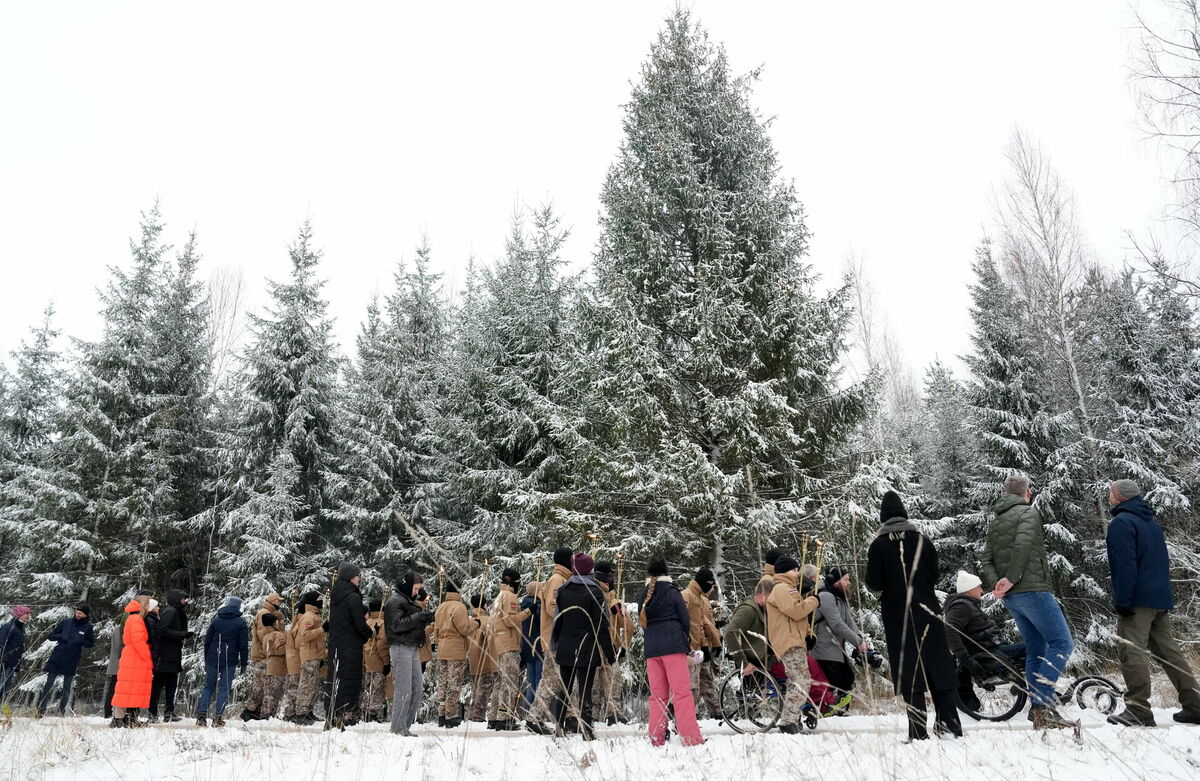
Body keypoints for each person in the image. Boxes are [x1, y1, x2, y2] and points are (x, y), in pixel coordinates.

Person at [866, 490, 962, 741]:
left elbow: (873, 583)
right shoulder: (922, 541)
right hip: (928, 609)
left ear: (882, 518)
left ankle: (918, 731)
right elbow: (935, 575)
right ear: (905, 514)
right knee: (939, 665)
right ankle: (949, 724)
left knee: (909, 669)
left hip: (898, 616)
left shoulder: (878, 545)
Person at [980, 475, 1075, 730]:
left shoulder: (997, 521)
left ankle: (1038, 712)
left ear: (1005, 493)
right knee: (1062, 642)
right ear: (1028, 493)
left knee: (1036, 648)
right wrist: (1010, 579)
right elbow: (1022, 547)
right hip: (1032, 589)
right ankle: (1043, 704)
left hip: (1012, 597)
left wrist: (997, 585)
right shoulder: (1028, 513)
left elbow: (986, 559)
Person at [1104, 479, 1200, 727]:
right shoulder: (1150, 522)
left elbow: (1124, 566)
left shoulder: (1121, 523)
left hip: (1137, 601)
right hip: (1158, 598)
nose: (1109, 496)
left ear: (1120, 497)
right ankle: (1195, 705)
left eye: (1111, 493)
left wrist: (1123, 600)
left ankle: (1138, 710)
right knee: (1170, 654)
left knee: (1130, 651)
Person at [639, 557, 703, 747]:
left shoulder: (644, 594)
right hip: (673, 648)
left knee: (657, 696)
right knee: (682, 694)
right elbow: (685, 620)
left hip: (652, 650)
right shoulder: (673, 592)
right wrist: (686, 643)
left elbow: (643, 623)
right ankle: (691, 738)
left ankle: (656, 738)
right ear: (666, 573)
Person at [943, 570, 1026, 713]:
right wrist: (966, 659)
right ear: (970, 588)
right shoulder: (962, 606)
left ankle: (1024, 684)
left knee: (1034, 647)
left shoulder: (968, 605)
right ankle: (1037, 688)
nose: (981, 591)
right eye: (978, 587)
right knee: (1035, 647)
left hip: (994, 649)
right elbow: (950, 630)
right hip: (991, 652)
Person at [551, 553, 614, 741]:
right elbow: (601, 626)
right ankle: (587, 730)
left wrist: (557, 642)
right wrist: (610, 653)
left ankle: (558, 726)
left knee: (565, 688)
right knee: (585, 690)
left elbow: (558, 620)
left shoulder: (563, 590)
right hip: (587, 647)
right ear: (590, 569)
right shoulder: (595, 592)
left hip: (566, 646)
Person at [765, 555, 820, 733]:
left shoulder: (789, 589)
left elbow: (798, 620)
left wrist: (808, 635)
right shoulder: (782, 588)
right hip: (788, 642)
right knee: (800, 681)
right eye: (795, 570)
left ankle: (793, 719)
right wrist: (812, 601)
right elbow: (796, 611)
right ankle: (788, 721)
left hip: (794, 640)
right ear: (785, 571)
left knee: (798, 680)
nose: (797, 573)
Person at [526, 547, 573, 734]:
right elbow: (553, 608)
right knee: (550, 680)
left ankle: (569, 717)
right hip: (555, 639)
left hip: (558, 639)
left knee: (563, 681)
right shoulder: (557, 580)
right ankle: (534, 717)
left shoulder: (562, 579)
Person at [385, 572, 435, 736]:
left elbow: (410, 621)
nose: (417, 592)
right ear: (408, 585)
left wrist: (424, 618)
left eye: (418, 589)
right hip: (400, 647)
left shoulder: (407, 600)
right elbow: (396, 626)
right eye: (415, 588)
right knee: (404, 688)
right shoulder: (394, 601)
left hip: (412, 647)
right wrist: (419, 617)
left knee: (417, 689)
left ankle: (404, 726)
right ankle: (398, 727)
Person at [812, 567, 867, 711]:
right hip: (823, 649)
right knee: (836, 683)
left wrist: (860, 640)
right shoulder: (826, 597)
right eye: (846, 579)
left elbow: (849, 621)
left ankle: (836, 712)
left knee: (847, 680)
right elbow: (836, 624)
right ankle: (826, 711)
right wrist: (858, 642)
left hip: (835, 648)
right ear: (836, 581)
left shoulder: (838, 596)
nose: (849, 582)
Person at [326, 562, 373, 729]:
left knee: (336, 678)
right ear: (349, 577)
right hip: (350, 645)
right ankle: (342, 716)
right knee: (348, 680)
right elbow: (358, 623)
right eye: (356, 575)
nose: (359, 578)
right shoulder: (352, 597)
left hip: (337, 644)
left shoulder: (336, 595)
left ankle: (332, 715)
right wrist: (369, 632)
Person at [488, 568, 532, 731]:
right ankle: (503, 718)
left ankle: (493, 717)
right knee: (509, 682)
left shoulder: (499, 597)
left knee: (500, 682)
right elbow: (510, 620)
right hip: (508, 644)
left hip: (498, 644)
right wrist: (528, 612)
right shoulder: (510, 596)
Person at [197, 596, 249, 727]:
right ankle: (217, 717)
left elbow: (207, 642)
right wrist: (243, 663)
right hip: (229, 659)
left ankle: (201, 716)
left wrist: (206, 658)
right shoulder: (240, 623)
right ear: (238, 607)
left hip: (212, 658)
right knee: (224, 689)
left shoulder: (216, 620)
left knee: (208, 687)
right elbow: (243, 645)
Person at [592, 561, 633, 726]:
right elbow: (629, 626)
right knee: (613, 682)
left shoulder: (590, 594)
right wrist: (623, 645)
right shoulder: (614, 602)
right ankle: (613, 713)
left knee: (593, 683)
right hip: (610, 647)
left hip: (592, 646)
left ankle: (592, 714)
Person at [37, 604, 94, 717]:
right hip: (57, 656)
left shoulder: (88, 627)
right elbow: (51, 636)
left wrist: (80, 640)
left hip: (72, 659)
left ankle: (61, 712)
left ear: (85, 615)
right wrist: (61, 636)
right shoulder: (66, 622)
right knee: (48, 684)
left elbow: (90, 643)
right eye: (76, 612)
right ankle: (41, 710)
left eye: (80, 613)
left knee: (66, 687)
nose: (77, 615)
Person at [105, 588, 153, 718]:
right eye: (148, 604)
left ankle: (123, 717)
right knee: (128, 689)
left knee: (128, 689)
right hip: (135, 657)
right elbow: (138, 640)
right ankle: (121, 718)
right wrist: (146, 656)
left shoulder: (133, 617)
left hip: (131, 656)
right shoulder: (136, 618)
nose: (150, 607)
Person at [681, 567, 722, 719]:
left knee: (704, 682)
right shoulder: (687, 595)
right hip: (689, 649)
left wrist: (706, 644)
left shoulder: (699, 597)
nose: (711, 587)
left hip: (698, 648)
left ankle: (715, 713)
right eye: (709, 583)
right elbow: (681, 622)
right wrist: (685, 645)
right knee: (691, 686)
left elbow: (701, 625)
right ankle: (689, 716)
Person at [433, 580, 475, 728]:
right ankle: (451, 715)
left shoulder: (440, 608)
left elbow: (436, 631)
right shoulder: (459, 607)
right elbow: (465, 629)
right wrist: (476, 624)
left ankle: (441, 714)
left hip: (442, 649)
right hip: (456, 649)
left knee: (442, 683)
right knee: (454, 683)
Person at [241, 592, 285, 721]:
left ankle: (255, 711)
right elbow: (265, 635)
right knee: (260, 685)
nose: (280, 604)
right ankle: (250, 711)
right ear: (272, 601)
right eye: (278, 601)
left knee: (265, 685)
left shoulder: (270, 614)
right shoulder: (263, 614)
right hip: (262, 655)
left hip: (265, 655)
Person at [152, 589, 191, 722]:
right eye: (183, 598)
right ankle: (153, 713)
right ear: (176, 599)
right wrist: (182, 634)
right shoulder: (171, 611)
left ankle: (169, 712)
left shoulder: (179, 612)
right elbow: (163, 630)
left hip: (173, 653)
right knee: (158, 685)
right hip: (165, 654)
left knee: (171, 685)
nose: (185, 601)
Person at [290, 591, 325, 725]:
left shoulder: (314, 615)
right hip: (309, 655)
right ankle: (301, 713)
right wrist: (322, 629)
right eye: (319, 600)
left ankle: (308, 711)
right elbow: (305, 636)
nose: (321, 602)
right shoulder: (308, 616)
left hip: (315, 654)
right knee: (306, 684)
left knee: (312, 685)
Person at [724, 577, 773, 673]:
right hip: (750, 662)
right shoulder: (748, 610)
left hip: (760, 660)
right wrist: (743, 663)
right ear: (762, 595)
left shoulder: (762, 609)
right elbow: (731, 633)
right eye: (770, 598)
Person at [466, 594, 498, 724]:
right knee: (483, 689)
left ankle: (472, 714)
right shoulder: (486, 620)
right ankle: (478, 716)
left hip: (472, 658)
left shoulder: (469, 620)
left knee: (475, 688)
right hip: (484, 658)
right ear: (484, 605)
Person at [360, 598, 390, 724]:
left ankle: (365, 710)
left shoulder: (368, 622)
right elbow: (381, 645)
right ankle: (372, 713)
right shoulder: (382, 623)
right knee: (378, 687)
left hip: (367, 657)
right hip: (378, 659)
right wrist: (386, 662)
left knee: (368, 686)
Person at [259, 613, 288, 719]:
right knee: (275, 692)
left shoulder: (265, 635)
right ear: (273, 623)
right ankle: (269, 715)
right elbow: (280, 650)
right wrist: (288, 646)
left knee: (269, 691)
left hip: (270, 665)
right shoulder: (277, 635)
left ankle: (265, 714)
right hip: (279, 666)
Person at [0, 605, 31, 702]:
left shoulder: (20, 627)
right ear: (20, 614)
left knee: (5, 686)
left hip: (13, 661)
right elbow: (1, 642)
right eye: (27, 613)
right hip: (6, 661)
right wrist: (4, 658)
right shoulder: (9, 626)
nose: (28, 615)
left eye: (29, 613)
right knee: (2, 685)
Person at [519, 581, 542, 713]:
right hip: (538, 646)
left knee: (530, 682)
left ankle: (527, 708)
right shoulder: (537, 606)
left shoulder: (523, 606)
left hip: (527, 646)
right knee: (538, 681)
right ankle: (535, 712)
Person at [143, 599, 162, 721]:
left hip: (153, 655)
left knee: (154, 686)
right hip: (153, 655)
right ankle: (152, 713)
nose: (159, 608)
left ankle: (152, 712)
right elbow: (154, 640)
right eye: (157, 606)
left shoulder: (152, 620)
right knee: (154, 686)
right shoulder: (151, 621)